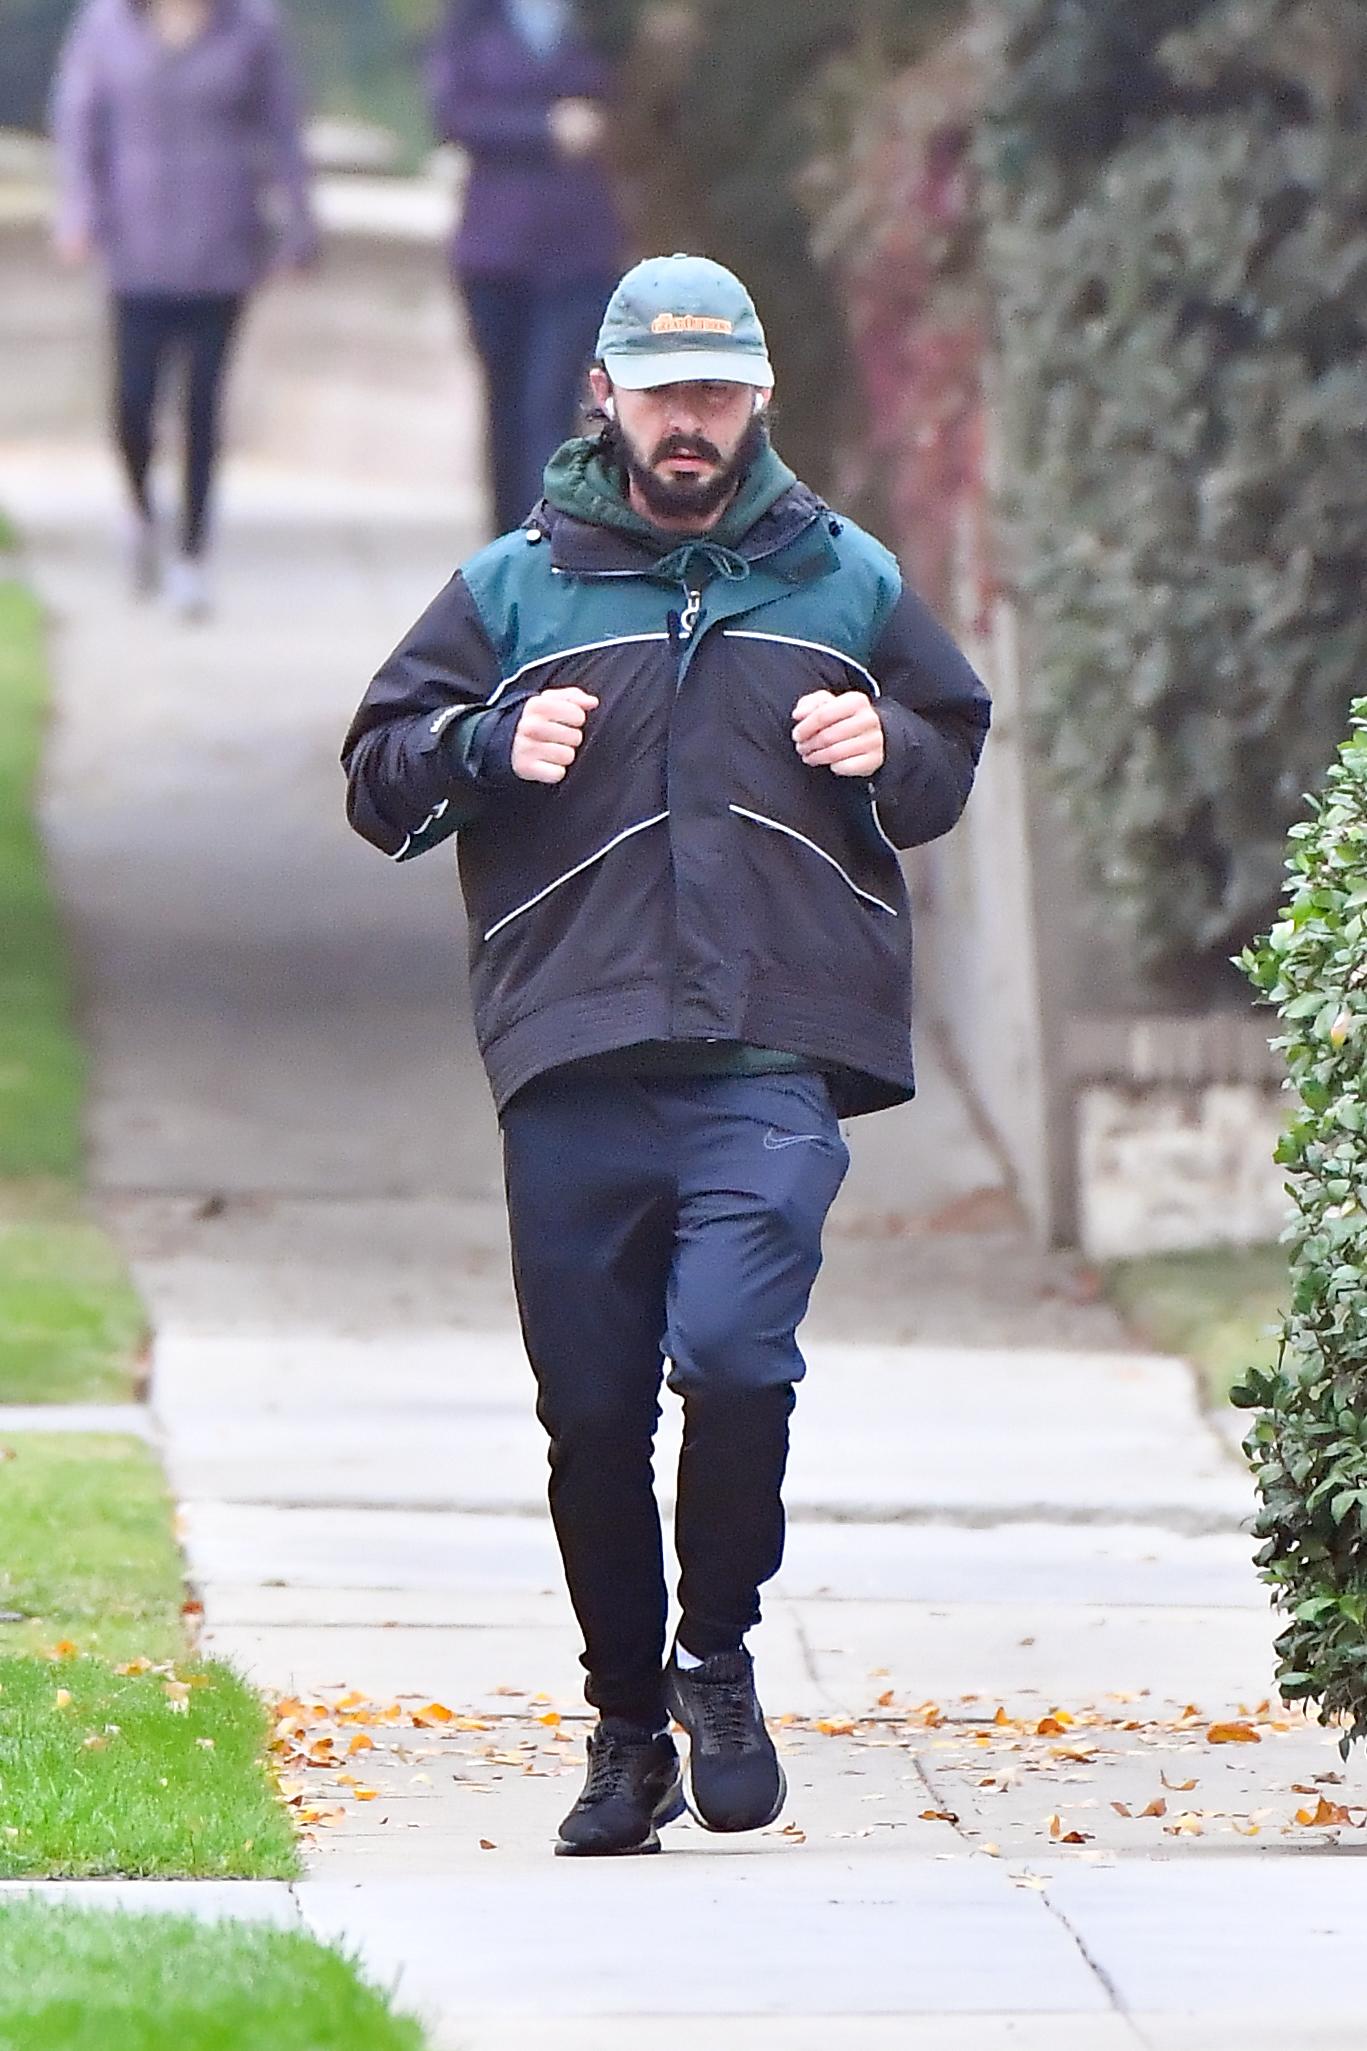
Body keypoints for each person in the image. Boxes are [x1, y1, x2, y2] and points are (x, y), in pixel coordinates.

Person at [342, 255, 991, 1856]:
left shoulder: (839, 581)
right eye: (660, 393)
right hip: (571, 1051)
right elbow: (376, 773)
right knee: (588, 1416)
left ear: (756, 398)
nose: (686, 423)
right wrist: (484, 743)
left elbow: (947, 744)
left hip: (770, 1050)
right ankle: (624, 1723)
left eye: (714, 394)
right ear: (606, 397)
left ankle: (717, 1658)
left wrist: (885, 745)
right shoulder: (511, 591)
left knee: (730, 1354)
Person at [51, 0, 318, 619]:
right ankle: (142, 510)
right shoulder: (107, 24)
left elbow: (282, 128)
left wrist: (299, 225)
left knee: (202, 403)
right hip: (135, 244)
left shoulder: (250, 28)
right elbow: (80, 119)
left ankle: (192, 551)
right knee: (134, 400)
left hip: (220, 246)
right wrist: (80, 212)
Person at [429, 0, 625, 536]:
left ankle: (545, 543)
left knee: (551, 401)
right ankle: (507, 545)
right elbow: (451, 114)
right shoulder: (473, 22)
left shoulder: (598, 21)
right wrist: (543, 128)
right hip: (495, 249)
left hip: (578, 247)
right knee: (506, 406)